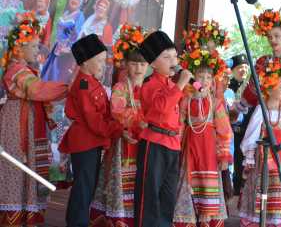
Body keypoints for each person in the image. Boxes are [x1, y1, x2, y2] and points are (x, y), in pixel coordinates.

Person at [0, 12, 68, 226]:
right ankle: (12, 215)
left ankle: (22, 214)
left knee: (24, 167)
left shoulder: (26, 69)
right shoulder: (15, 70)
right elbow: (37, 90)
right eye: (35, 47)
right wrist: (68, 87)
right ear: (20, 48)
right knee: (15, 168)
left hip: (27, 122)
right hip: (16, 125)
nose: (38, 51)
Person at [58, 34, 124, 227]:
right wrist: (116, 128)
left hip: (91, 141)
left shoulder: (90, 81)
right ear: (85, 62)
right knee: (83, 187)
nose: (103, 65)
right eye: (100, 61)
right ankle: (77, 223)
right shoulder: (84, 83)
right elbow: (92, 118)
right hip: (86, 141)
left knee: (86, 186)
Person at [173, 21, 233, 227]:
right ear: (194, 78)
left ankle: (207, 221)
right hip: (190, 148)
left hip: (208, 151)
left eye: (209, 76)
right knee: (187, 184)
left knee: (208, 188)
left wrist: (224, 154)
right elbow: (179, 124)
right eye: (201, 76)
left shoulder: (216, 103)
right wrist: (176, 146)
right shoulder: (186, 100)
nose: (205, 80)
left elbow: (225, 131)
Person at [90, 25, 148, 227]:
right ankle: (119, 219)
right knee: (123, 183)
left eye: (142, 64)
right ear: (126, 65)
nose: (139, 68)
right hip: (125, 143)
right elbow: (117, 111)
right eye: (134, 63)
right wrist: (138, 124)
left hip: (144, 144)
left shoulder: (150, 88)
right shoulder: (121, 87)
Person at [134, 30, 193, 227]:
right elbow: (161, 108)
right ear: (152, 63)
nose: (173, 61)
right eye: (166, 57)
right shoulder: (150, 84)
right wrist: (181, 84)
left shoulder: (171, 83)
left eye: (175, 56)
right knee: (148, 196)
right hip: (154, 143)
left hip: (172, 144)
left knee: (167, 197)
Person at [239, 57, 281, 227]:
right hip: (263, 166)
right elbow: (251, 136)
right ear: (268, 87)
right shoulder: (261, 111)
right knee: (261, 197)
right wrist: (250, 156)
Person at [228, 53, 254, 195]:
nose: (243, 70)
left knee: (244, 166)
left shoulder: (250, 88)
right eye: (239, 67)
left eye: (245, 67)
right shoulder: (226, 85)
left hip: (246, 133)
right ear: (232, 70)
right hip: (231, 133)